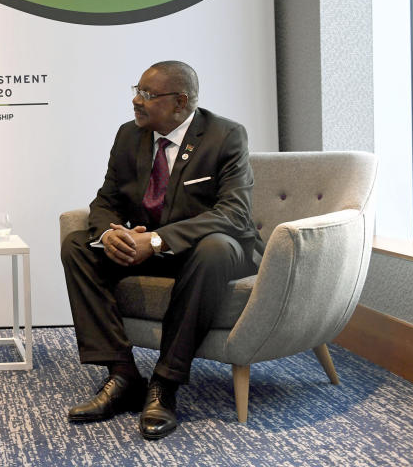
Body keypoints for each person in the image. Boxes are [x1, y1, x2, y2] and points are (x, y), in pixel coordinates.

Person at [60, 60, 262, 440]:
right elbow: (106, 200)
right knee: (77, 245)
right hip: (147, 249)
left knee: (215, 249)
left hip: (207, 252)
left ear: (180, 101)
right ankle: (122, 375)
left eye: (147, 95)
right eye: (136, 90)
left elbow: (234, 214)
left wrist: (155, 241)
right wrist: (109, 235)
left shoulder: (225, 135)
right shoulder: (128, 136)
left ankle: (165, 385)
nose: (136, 101)